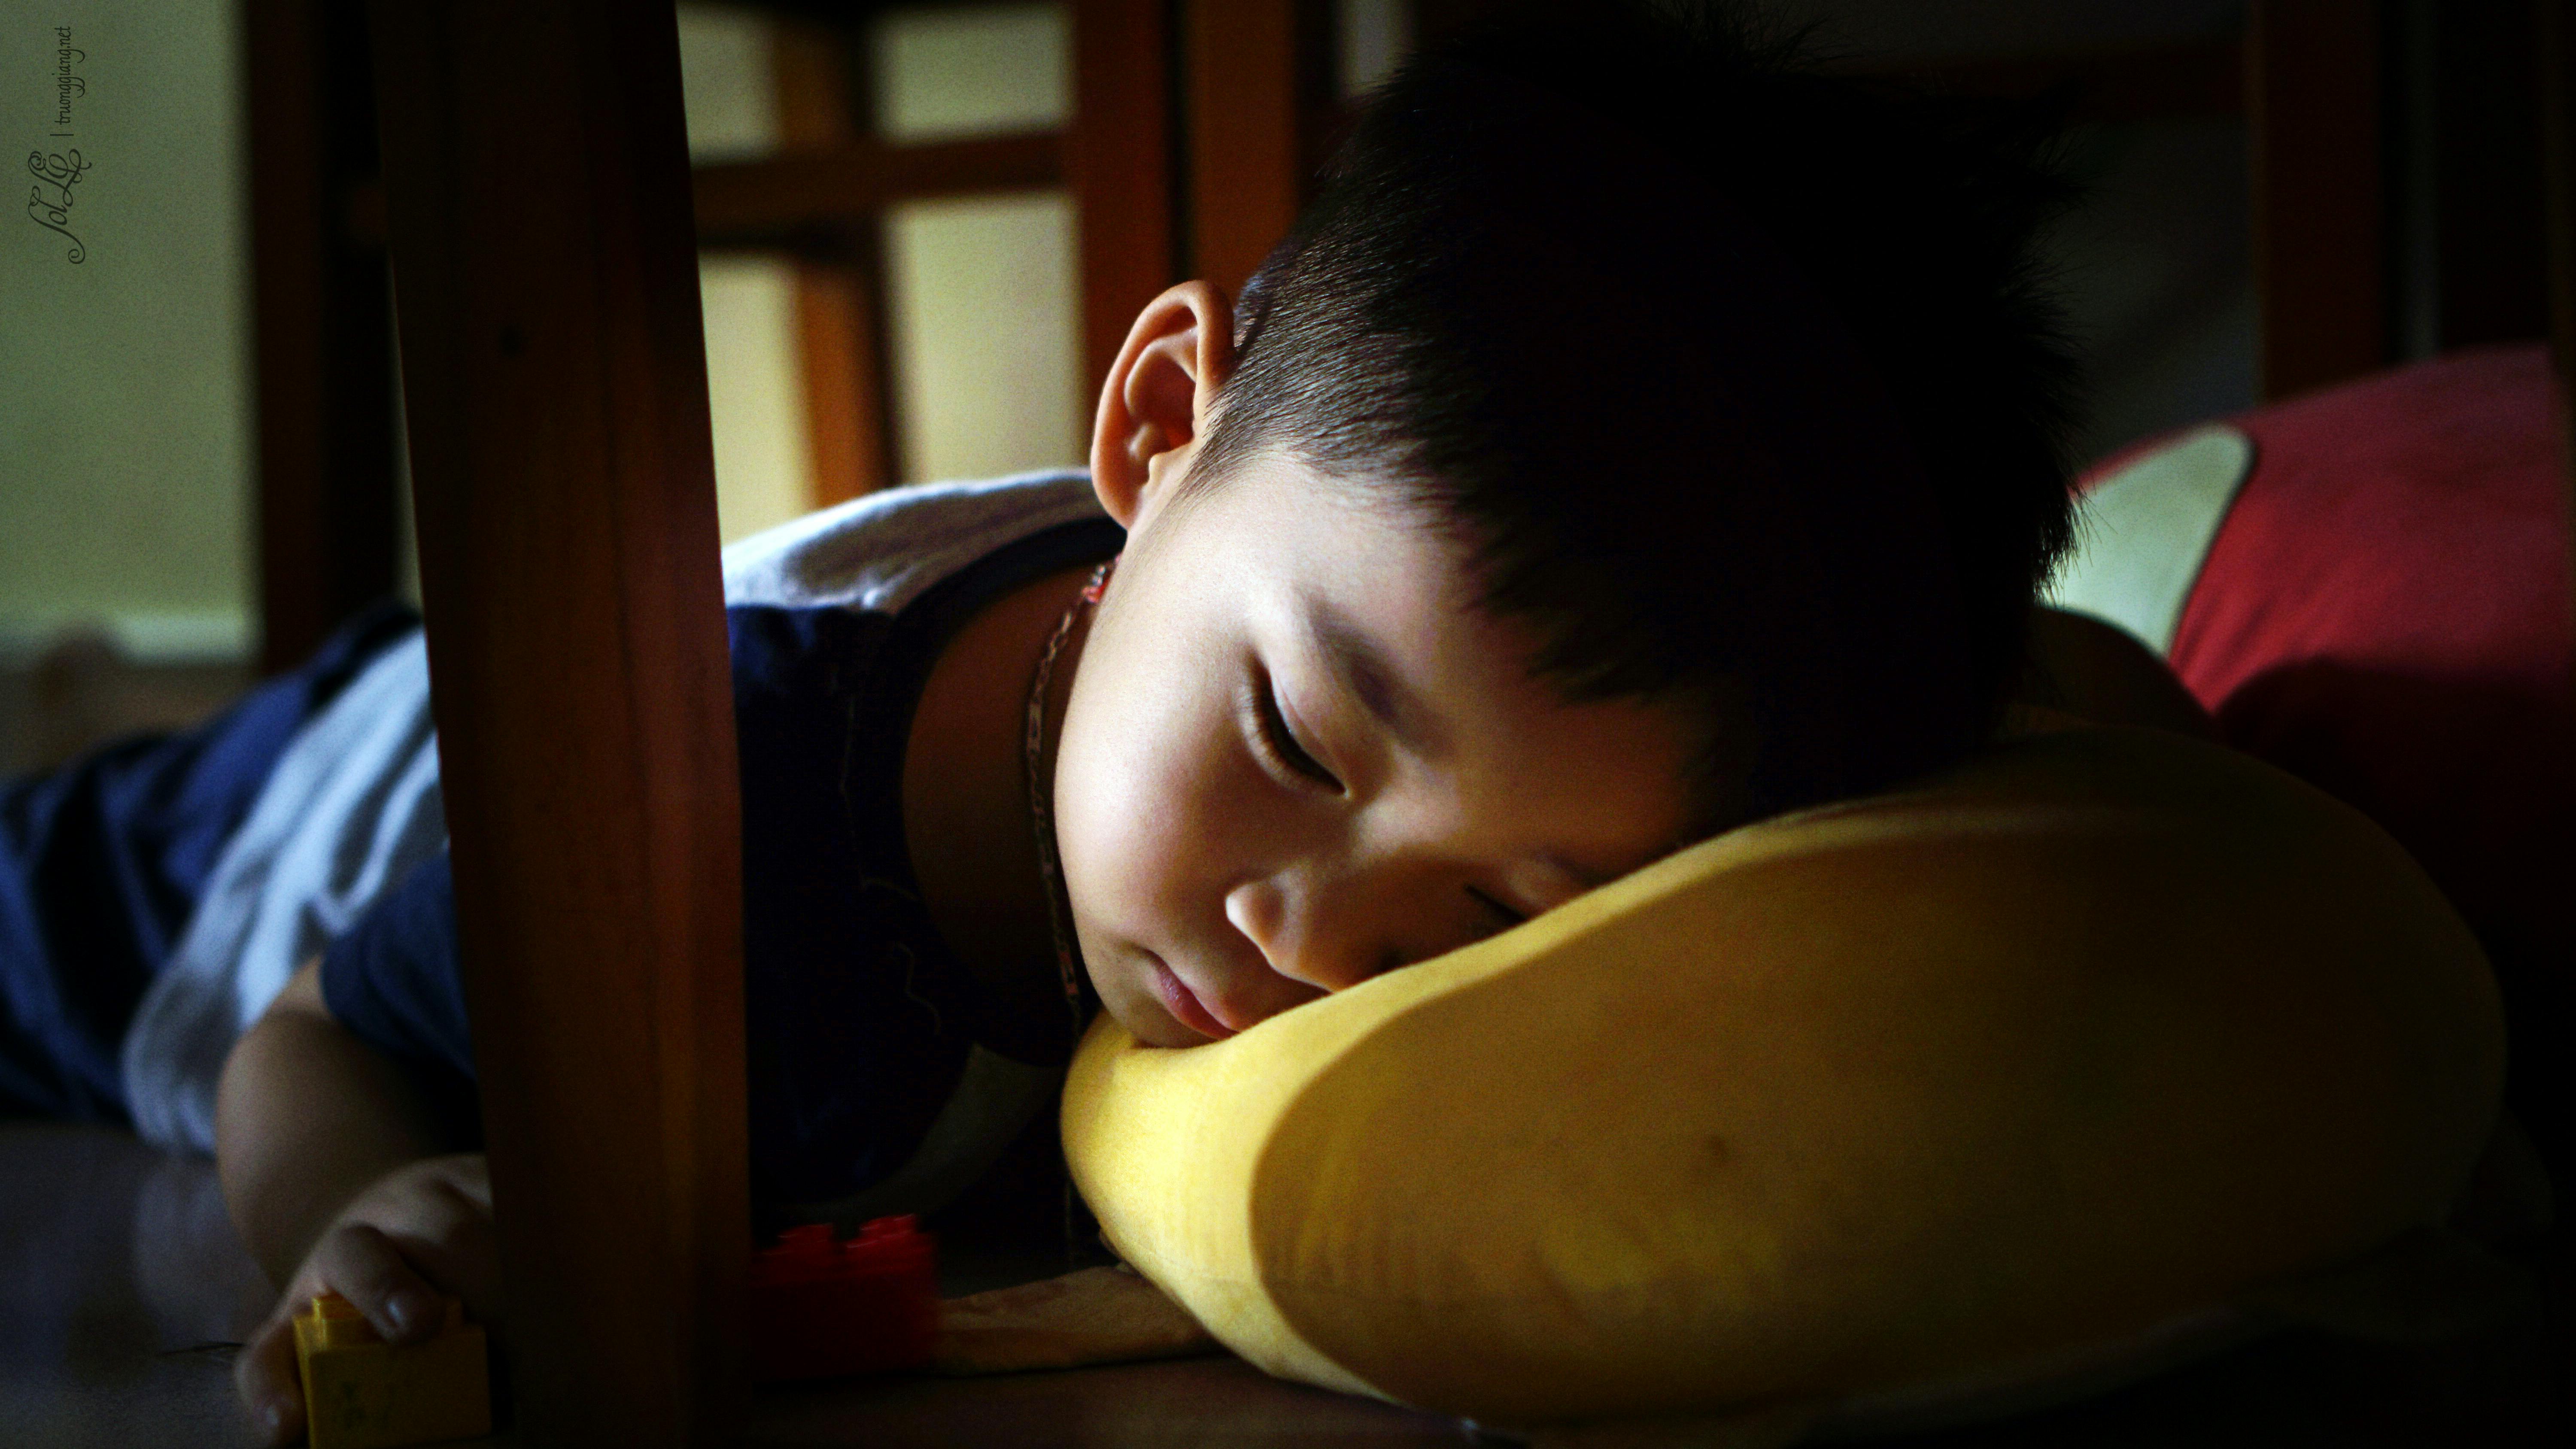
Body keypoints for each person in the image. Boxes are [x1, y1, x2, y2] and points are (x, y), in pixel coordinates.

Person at [0, 6, 2147, 1442]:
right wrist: (362, 1209)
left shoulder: (1309, 629)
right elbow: (305, 1032)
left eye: (1499, 909)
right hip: (251, 845)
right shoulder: (730, 820)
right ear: (1154, 424)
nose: (1315, 937)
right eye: (1298, 741)